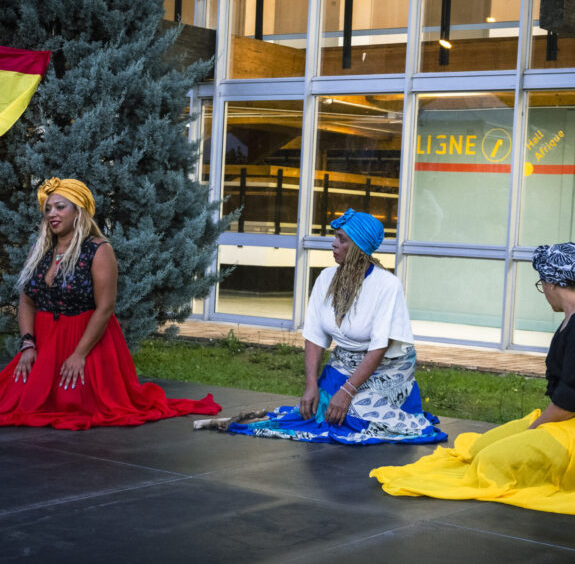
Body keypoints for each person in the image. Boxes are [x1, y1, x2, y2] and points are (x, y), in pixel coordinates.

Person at [371, 242, 575, 516]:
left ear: (552, 283)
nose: (544, 293)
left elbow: (570, 401)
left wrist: (536, 428)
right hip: (568, 418)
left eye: (542, 284)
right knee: (479, 447)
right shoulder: (574, 317)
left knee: (492, 461)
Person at [0, 177, 221, 430]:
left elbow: (105, 308)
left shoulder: (99, 250)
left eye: (61, 207)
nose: (53, 214)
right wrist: (28, 344)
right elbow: (27, 301)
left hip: (84, 340)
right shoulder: (39, 250)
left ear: (78, 211)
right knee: (13, 400)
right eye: (48, 208)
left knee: (74, 403)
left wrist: (79, 355)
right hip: (43, 341)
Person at [227, 209, 447, 445]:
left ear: (358, 247)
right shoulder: (325, 278)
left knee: (356, 416)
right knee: (318, 413)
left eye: (342, 239)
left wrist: (348, 391)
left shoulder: (387, 285)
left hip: (386, 369)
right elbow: (314, 336)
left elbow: (379, 347)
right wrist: (311, 384)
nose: (333, 244)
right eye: (335, 237)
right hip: (344, 363)